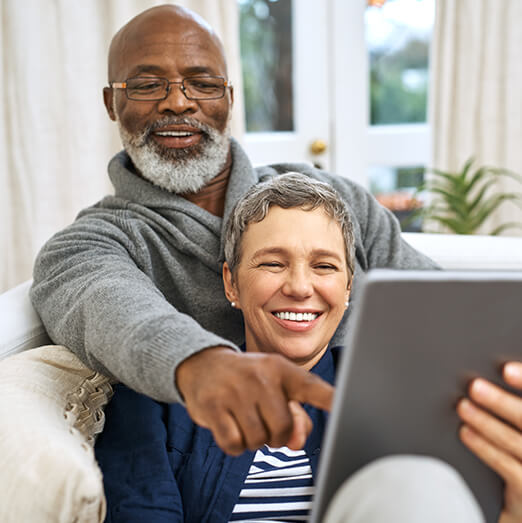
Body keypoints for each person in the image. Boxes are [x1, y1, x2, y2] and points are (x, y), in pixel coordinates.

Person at [29, 3, 437, 456]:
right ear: (112, 102)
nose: (178, 102)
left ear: (229, 98)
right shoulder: (87, 246)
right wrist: (201, 364)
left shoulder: (337, 197)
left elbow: (438, 307)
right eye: (147, 85)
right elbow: (114, 310)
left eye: (202, 84)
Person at [94, 173, 486, 522]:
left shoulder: (394, 395)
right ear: (231, 283)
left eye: (325, 266)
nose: (300, 287)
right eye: (272, 264)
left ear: (349, 287)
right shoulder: (154, 400)